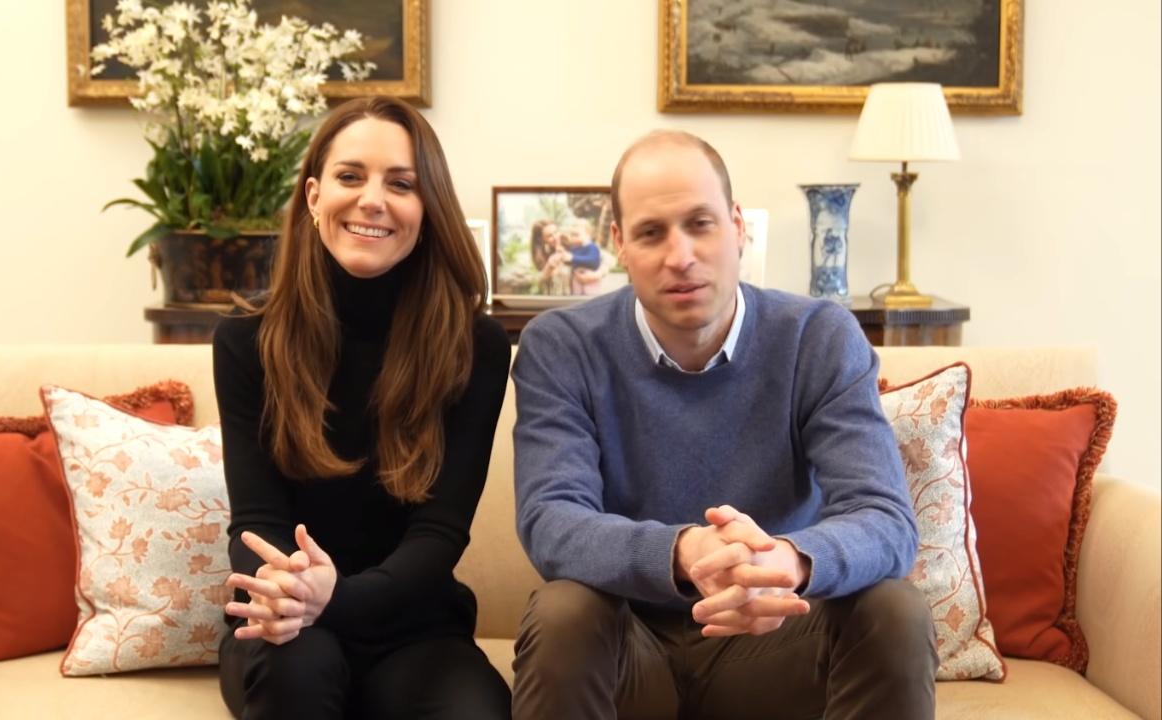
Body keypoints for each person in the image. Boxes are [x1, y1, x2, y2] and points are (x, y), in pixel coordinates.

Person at [510, 129, 937, 720]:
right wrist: (684, 551)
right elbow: (551, 521)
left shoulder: (817, 337)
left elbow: (886, 520)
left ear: (738, 226)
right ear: (619, 245)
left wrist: (789, 561)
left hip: (774, 643)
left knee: (896, 610)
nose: (680, 255)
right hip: (631, 648)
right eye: (651, 232)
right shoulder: (562, 347)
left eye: (700, 223)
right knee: (563, 612)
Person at [212, 96, 512, 720]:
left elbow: (440, 532)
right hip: (288, 621)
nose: (372, 199)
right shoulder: (245, 341)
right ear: (315, 196)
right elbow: (257, 521)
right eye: (351, 176)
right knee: (298, 677)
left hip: (414, 624)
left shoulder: (475, 347)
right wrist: (298, 597)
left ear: (426, 210)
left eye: (400, 183)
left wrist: (338, 599)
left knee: (474, 711)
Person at [564, 218, 604, 295]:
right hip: (577, 280)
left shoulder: (592, 247)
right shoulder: (574, 248)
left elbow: (593, 261)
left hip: (590, 281)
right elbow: (570, 262)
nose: (572, 238)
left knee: (590, 298)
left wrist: (572, 258)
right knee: (576, 298)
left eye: (576, 235)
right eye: (571, 235)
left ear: (587, 235)